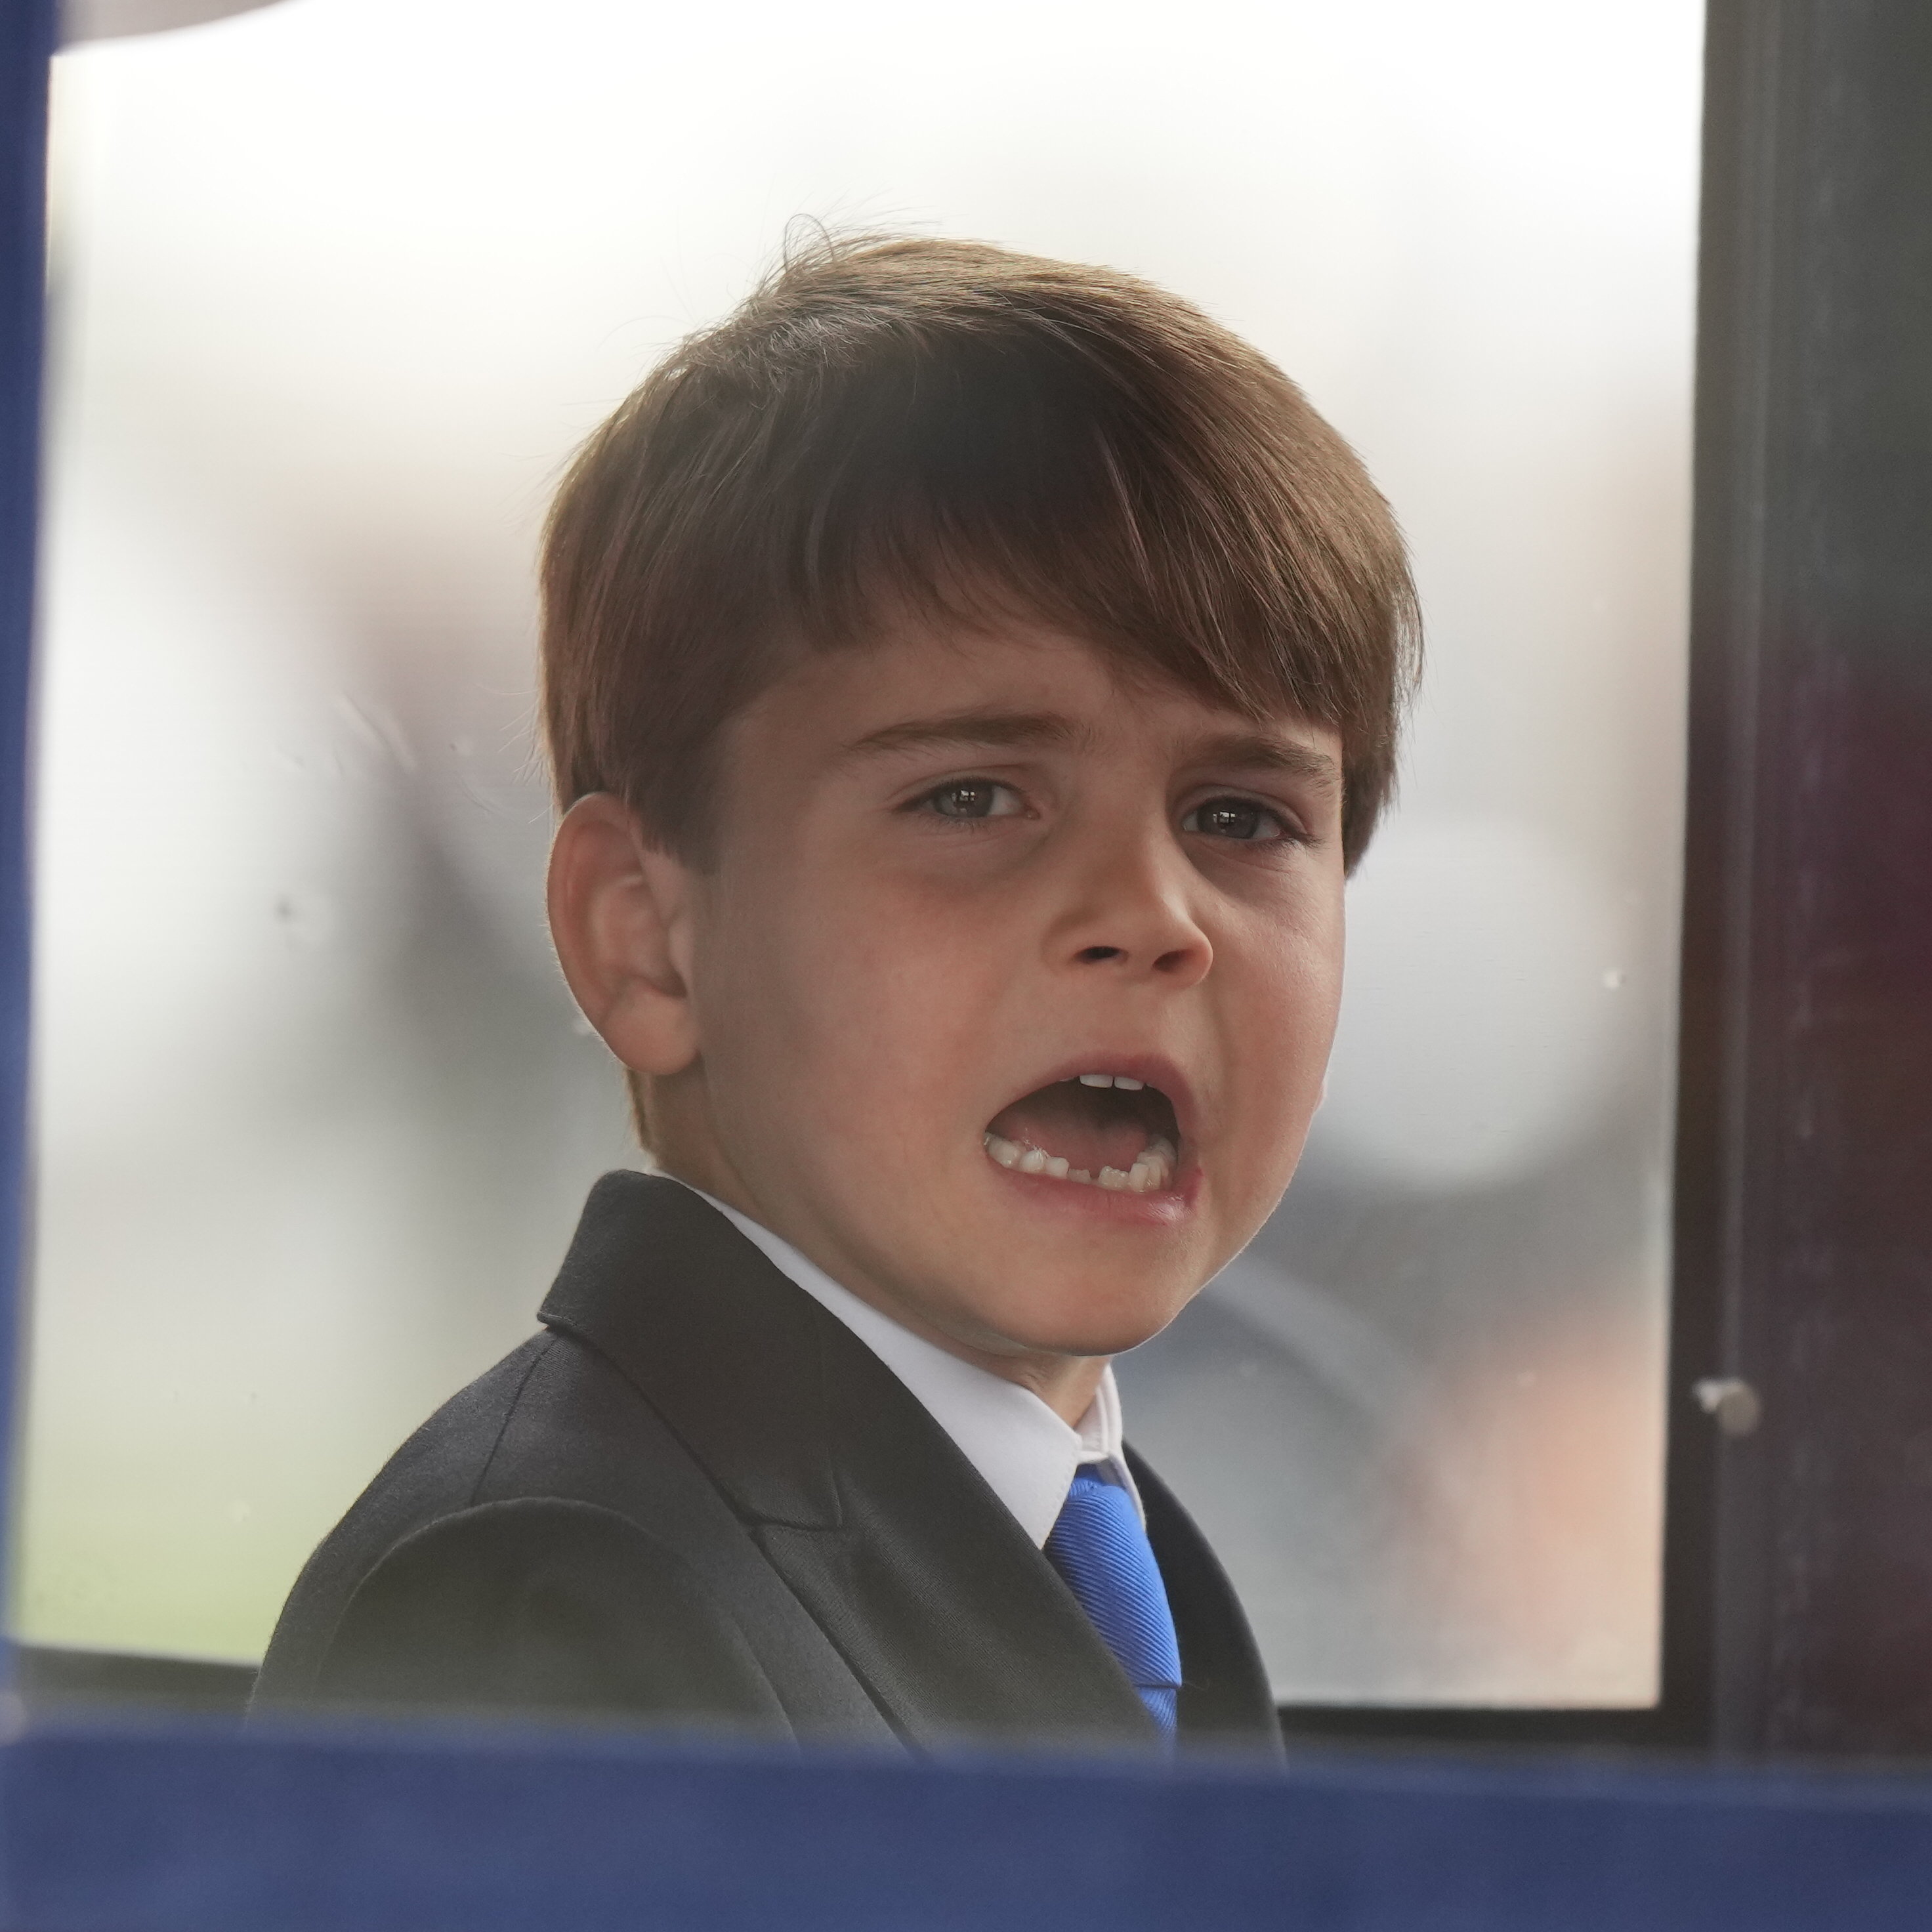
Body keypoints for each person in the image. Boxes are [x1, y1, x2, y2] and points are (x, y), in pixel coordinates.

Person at [252, 234, 1419, 1754]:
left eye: (1242, 818)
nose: (1150, 915)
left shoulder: (1119, 1563)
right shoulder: (550, 1601)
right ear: (647, 943)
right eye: (973, 797)